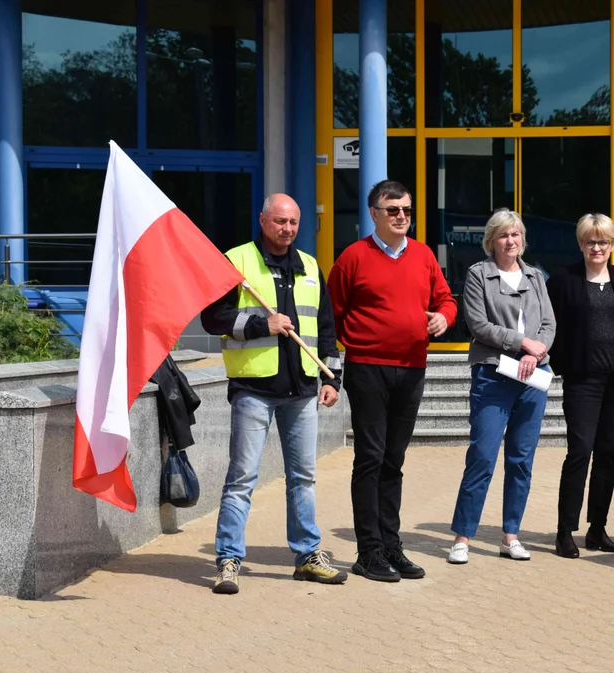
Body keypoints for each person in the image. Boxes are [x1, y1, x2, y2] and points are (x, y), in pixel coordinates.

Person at [201, 193, 347, 594]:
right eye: (280, 221)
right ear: (263, 220)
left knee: (303, 477)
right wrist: (262, 324)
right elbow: (213, 318)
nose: (287, 229)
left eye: (294, 223)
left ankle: (307, 557)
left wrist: (332, 379)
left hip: (302, 389)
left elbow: (327, 330)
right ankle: (228, 560)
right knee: (242, 479)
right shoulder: (237, 261)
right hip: (253, 388)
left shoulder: (312, 267)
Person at [328, 180, 457, 582]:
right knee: (370, 457)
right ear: (374, 214)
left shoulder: (422, 256)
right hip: (367, 367)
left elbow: (446, 300)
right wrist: (332, 369)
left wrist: (444, 318)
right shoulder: (353, 257)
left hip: (412, 367)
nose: (402, 216)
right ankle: (368, 551)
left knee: (394, 461)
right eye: (393, 210)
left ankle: (390, 544)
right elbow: (331, 313)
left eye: (406, 210)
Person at [447, 209, 555, 565]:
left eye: (516, 234)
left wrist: (537, 352)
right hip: (494, 375)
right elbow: (479, 325)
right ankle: (462, 537)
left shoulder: (535, 276)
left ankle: (510, 536)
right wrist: (524, 344)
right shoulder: (480, 275)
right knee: (482, 456)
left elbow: (549, 323)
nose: (511, 241)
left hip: (531, 378)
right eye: (504, 235)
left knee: (521, 460)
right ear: (491, 240)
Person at [547, 213, 614, 559]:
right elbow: (550, 326)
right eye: (590, 241)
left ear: (612, 245)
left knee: (609, 454)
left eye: (603, 241)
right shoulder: (564, 280)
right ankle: (565, 530)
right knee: (580, 452)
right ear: (580, 243)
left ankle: (598, 529)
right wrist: (560, 363)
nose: (597, 247)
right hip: (582, 382)